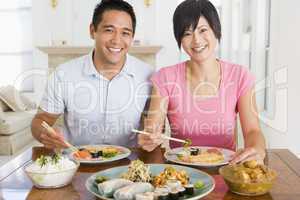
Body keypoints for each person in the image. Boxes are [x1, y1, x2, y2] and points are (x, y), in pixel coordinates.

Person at [138, 0, 266, 164]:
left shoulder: (240, 75)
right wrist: (150, 137)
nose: (196, 40)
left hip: (225, 172)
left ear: (216, 30)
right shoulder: (165, 77)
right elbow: (154, 128)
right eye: (187, 33)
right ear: (179, 39)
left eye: (203, 30)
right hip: (180, 176)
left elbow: (253, 131)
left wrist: (256, 150)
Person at [31, 0, 153, 149]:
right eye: (109, 30)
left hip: (129, 165)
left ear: (132, 37)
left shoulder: (148, 75)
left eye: (125, 33)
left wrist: (151, 136)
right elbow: (40, 121)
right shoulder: (63, 74)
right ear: (92, 30)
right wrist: (46, 133)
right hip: (79, 162)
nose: (117, 40)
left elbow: (153, 125)